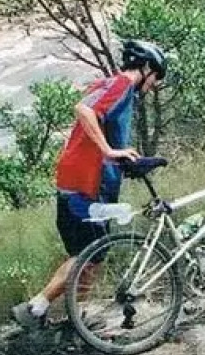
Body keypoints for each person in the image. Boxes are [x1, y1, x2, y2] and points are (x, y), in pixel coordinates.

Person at [12, 39, 167, 328]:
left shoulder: (119, 92)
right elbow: (84, 110)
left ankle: (78, 318)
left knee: (93, 254)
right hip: (86, 184)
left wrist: (122, 158)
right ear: (146, 67)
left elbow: (102, 129)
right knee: (89, 253)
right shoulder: (121, 84)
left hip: (86, 182)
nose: (155, 85)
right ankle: (35, 308)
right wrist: (109, 151)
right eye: (157, 76)